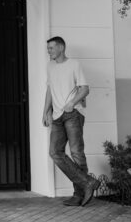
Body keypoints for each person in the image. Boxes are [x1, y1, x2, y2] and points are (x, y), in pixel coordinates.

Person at [42, 35, 99, 207]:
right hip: (57, 115)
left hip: (72, 113)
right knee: (55, 152)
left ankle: (78, 195)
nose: (49, 51)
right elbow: (50, 90)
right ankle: (88, 182)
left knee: (76, 154)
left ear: (61, 48)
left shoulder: (74, 65)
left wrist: (71, 103)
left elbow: (85, 89)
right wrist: (45, 111)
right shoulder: (50, 66)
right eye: (48, 48)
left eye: (51, 48)